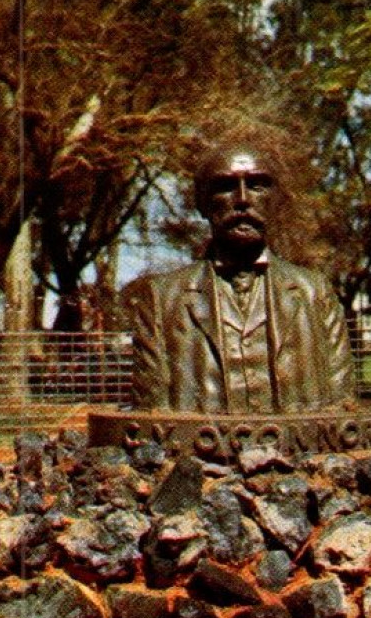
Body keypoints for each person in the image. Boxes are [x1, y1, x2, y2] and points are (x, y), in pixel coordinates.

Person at [124, 143, 354, 414]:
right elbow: (153, 411)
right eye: (226, 186)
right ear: (201, 202)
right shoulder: (162, 298)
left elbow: (341, 405)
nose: (243, 199)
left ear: (277, 201)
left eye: (257, 185)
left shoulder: (315, 292)